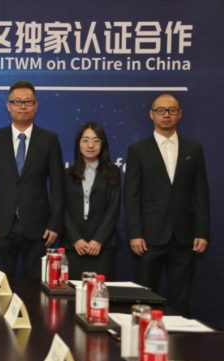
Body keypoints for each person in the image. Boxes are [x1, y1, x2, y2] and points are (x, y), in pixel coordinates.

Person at [124, 94, 209, 314]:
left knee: (181, 298)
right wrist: (135, 233)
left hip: (184, 236)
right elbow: (131, 195)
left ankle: (178, 335)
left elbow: (201, 193)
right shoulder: (138, 150)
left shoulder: (194, 150)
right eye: (161, 110)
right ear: (151, 114)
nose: (166, 115)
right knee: (144, 297)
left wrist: (202, 232)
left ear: (179, 114)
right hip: (148, 238)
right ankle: (142, 333)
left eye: (172, 110)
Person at [0, 80, 64, 278]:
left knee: (35, 285)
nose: (23, 106)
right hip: (1, 226)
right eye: (17, 102)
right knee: (1, 285)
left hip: (38, 227)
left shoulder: (49, 139)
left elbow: (58, 186)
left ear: (36, 106)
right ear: (8, 106)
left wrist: (54, 224)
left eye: (28, 101)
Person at [62, 122, 121, 280]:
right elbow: (62, 209)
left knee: (99, 292)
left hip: (103, 247)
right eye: (85, 140)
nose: (90, 145)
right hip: (74, 247)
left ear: (103, 144)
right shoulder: (67, 174)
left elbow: (113, 208)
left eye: (96, 141)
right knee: (72, 292)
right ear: (78, 143)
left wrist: (98, 239)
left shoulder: (113, 172)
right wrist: (75, 239)